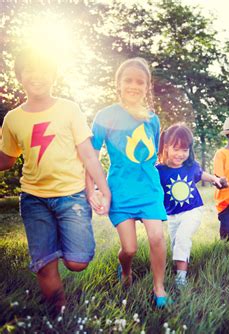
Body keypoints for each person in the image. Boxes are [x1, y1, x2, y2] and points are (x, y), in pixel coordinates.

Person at [0, 48, 111, 313]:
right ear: (19, 76)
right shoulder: (13, 119)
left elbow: (88, 154)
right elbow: (6, 160)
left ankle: (62, 241)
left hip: (71, 197)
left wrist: (102, 190)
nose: (37, 76)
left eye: (43, 70)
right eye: (29, 70)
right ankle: (59, 315)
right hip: (33, 200)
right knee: (44, 265)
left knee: (77, 262)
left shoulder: (68, 109)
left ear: (53, 75)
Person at [88, 57, 170, 307]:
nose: (134, 86)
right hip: (120, 191)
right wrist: (92, 189)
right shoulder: (105, 116)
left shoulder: (152, 119)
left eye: (140, 82)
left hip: (149, 190)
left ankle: (159, 287)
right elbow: (91, 154)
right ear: (118, 84)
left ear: (146, 87)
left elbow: (153, 154)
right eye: (128, 80)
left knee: (157, 237)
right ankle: (125, 271)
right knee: (130, 249)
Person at [157, 123, 227, 287]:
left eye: (185, 149)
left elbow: (202, 174)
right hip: (172, 214)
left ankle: (181, 279)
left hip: (192, 210)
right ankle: (177, 268)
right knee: (175, 243)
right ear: (166, 147)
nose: (181, 154)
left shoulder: (190, 166)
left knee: (182, 238)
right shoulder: (159, 170)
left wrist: (216, 179)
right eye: (176, 149)